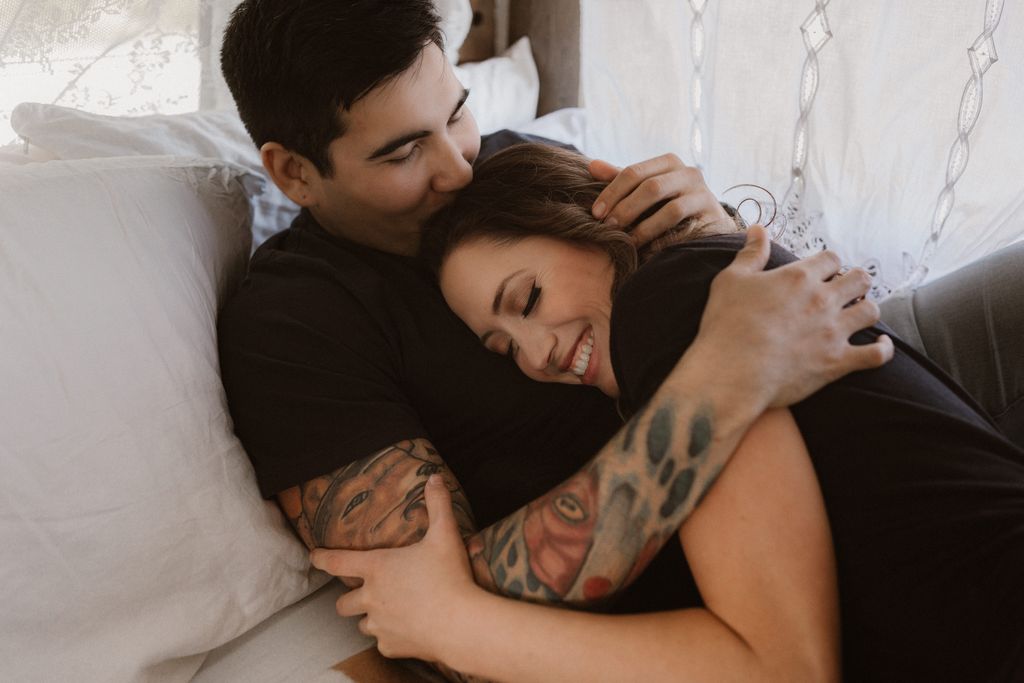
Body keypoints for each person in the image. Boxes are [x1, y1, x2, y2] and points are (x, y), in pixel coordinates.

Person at [214, 0, 1021, 680]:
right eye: (401, 151)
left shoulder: (512, 166)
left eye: (456, 112)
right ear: (292, 173)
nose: (459, 167)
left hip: (857, 358)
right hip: (803, 477)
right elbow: (426, 609)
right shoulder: (294, 323)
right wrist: (718, 376)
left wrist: (713, 232)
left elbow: (670, 284)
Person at [321, 142, 1024, 682]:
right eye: (504, 349)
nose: (536, 355)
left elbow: (781, 670)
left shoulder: (665, 301)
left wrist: (456, 625)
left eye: (527, 298)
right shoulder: (699, 316)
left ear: (591, 213)